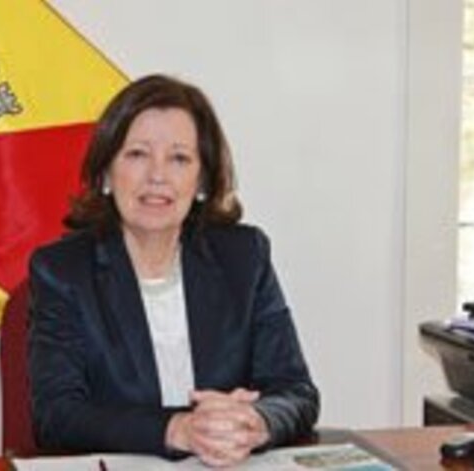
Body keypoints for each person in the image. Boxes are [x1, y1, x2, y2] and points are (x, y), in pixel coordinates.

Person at [27, 74, 320, 467]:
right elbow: (56, 415)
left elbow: (296, 391)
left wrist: (256, 421)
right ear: (106, 175)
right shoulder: (62, 271)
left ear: (202, 182)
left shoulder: (244, 258)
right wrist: (177, 429)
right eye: (137, 154)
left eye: (179, 158)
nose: (157, 176)